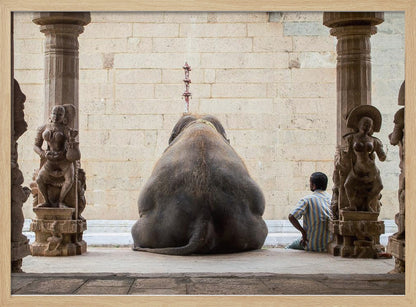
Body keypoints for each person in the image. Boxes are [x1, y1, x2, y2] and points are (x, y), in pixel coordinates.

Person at [287, 172, 332, 252]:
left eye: (310, 183)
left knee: (289, 247)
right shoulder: (332, 199)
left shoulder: (307, 200)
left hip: (312, 244)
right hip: (329, 244)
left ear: (313, 186)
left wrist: (303, 233)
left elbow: (291, 216)